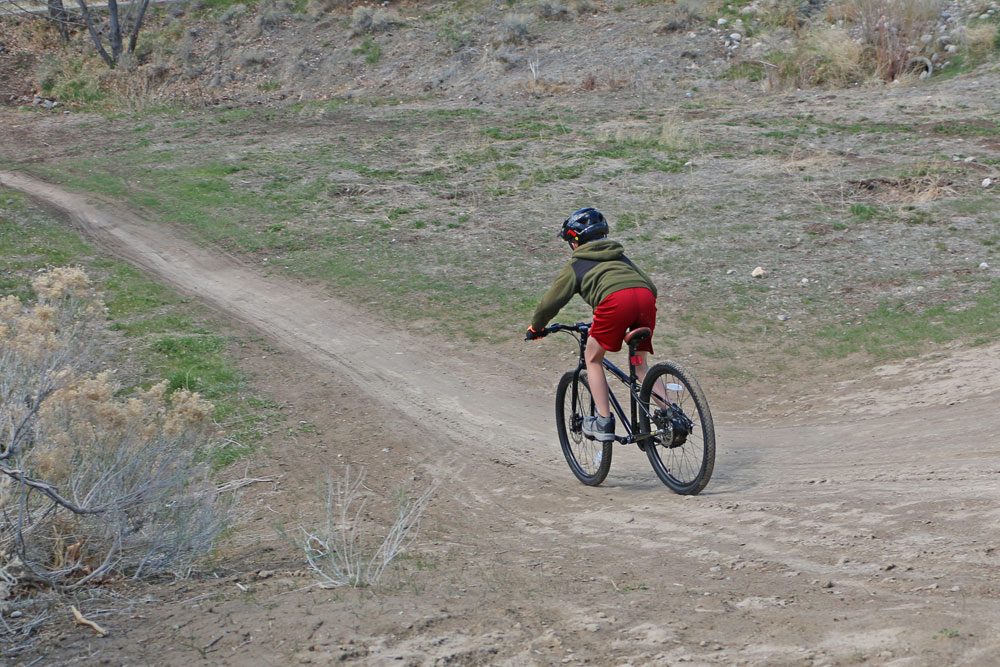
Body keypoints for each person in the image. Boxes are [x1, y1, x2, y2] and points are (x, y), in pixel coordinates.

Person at [526, 207, 659, 442]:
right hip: (645, 300)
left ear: (575, 242)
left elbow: (550, 303)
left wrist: (536, 327)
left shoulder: (576, 265)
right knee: (640, 366)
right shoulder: (621, 257)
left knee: (593, 358)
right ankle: (671, 414)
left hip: (614, 303)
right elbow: (650, 286)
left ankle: (603, 421)